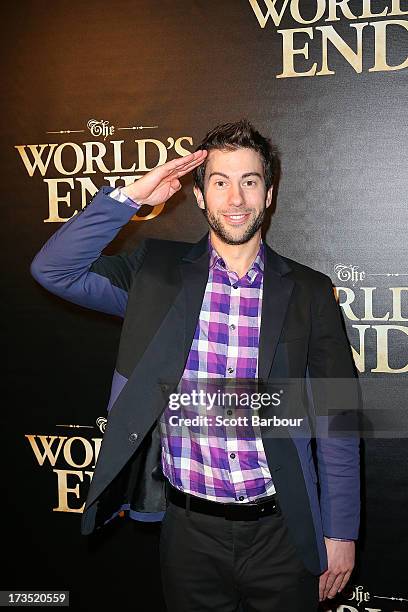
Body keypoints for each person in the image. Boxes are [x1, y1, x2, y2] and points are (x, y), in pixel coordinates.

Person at [30, 119, 360, 612]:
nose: (236, 199)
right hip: (188, 536)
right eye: (220, 182)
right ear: (200, 196)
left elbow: (338, 420)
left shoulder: (309, 291)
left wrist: (341, 531)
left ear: (269, 194)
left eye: (250, 182)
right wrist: (132, 197)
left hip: (284, 532)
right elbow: (52, 269)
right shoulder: (155, 273)